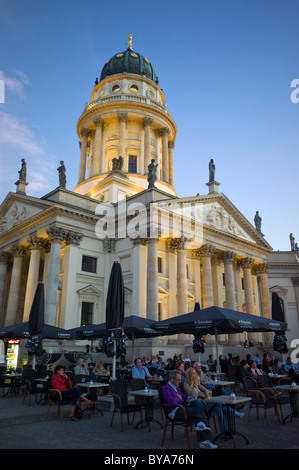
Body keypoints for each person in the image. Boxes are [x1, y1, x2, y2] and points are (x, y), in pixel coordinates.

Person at [162, 369, 217, 449]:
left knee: (197, 402)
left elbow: (182, 396)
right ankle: (204, 440)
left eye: (180, 380)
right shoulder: (166, 388)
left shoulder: (176, 387)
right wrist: (179, 398)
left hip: (182, 408)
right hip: (175, 411)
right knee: (200, 412)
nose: (180, 382)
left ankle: (201, 431)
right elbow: (171, 402)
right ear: (172, 379)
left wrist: (189, 397)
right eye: (178, 380)